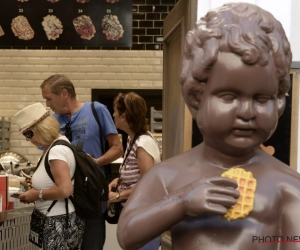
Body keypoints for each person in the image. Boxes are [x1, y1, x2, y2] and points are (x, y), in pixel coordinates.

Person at [116, 3, 300, 250]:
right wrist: (181, 203)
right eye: (228, 96)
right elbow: (127, 236)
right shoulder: (167, 176)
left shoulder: (287, 185)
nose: (246, 112)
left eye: (261, 99)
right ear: (196, 98)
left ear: (278, 103)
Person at [40, 74, 123, 250]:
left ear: (64, 93)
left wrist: (96, 162)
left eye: (49, 99)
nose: (47, 104)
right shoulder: (53, 121)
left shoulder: (97, 110)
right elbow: (45, 157)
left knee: (92, 245)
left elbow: (117, 148)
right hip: (64, 198)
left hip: (92, 193)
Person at [13, 102, 85, 249]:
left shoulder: (56, 151)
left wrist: (37, 195)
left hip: (57, 221)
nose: (28, 140)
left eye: (29, 133)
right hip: (57, 219)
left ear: (41, 128)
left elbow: (65, 189)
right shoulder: (57, 145)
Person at [109, 92, 161, 250]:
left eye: (116, 111)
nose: (113, 114)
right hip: (134, 215)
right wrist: (119, 181)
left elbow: (148, 185)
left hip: (144, 218)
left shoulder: (143, 143)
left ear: (124, 116)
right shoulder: (132, 138)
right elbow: (136, 175)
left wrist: (118, 196)